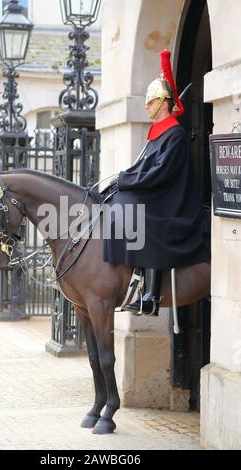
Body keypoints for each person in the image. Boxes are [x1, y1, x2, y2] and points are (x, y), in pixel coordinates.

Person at [102, 50, 211, 316]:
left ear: (163, 103)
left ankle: (150, 295)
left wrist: (129, 180)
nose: (147, 107)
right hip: (159, 191)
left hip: (173, 199)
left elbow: (160, 172)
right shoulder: (158, 134)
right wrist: (120, 180)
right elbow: (143, 167)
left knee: (141, 216)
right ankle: (132, 278)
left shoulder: (175, 134)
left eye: (150, 103)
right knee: (119, 202)